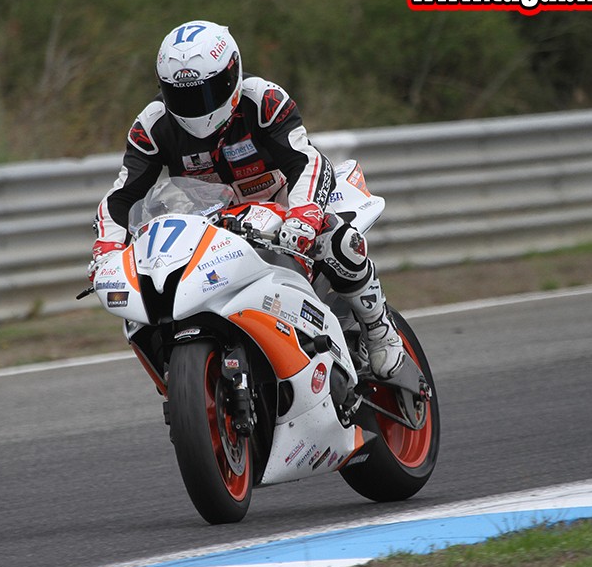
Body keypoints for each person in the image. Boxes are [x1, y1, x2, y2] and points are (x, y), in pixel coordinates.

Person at [89, 19, 405, 379]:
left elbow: (306, 160)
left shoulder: (264, 100)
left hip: (287, 204)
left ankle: (379, 329)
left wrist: (303, 215)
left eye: (208, 92)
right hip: (214, 222)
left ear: (232, 73)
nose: (196, 106)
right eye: (183, 95)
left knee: (339, 240)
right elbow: (123, 196)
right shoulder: (153, 125)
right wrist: (107, 251)